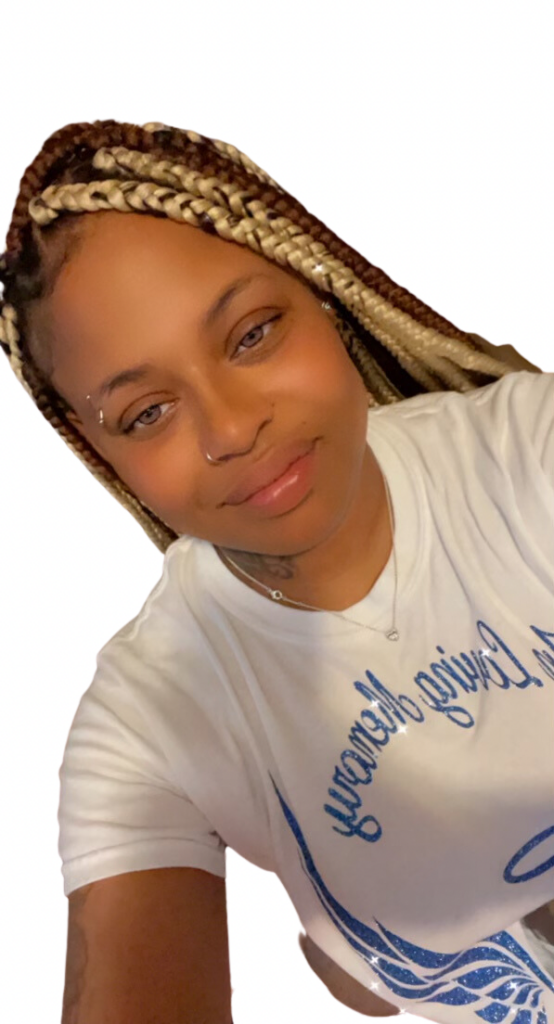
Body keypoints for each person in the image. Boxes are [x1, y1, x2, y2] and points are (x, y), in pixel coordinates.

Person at [1, 117, 552, 1024]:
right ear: (107, 458)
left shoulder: (529, 454)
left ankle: (360, 956)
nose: (230, 428)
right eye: (146, 414)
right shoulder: (149, 718)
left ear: (321, 295)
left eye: (252, 334)